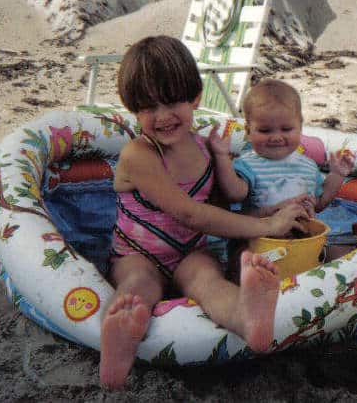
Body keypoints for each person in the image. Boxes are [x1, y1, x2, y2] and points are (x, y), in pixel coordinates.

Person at [100, 36, 310, 389]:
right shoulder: (140, 154)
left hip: (189, 253)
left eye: (172, 102)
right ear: (133, 110)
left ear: (195, 97)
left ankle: (248, 318)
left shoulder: (203, 149)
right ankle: (120, 340)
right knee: (138, 285)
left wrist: (270, 211)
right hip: (137, 254)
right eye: (148, 107)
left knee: (209, 282)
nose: (163, 116)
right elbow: (192, 215)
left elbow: (218, 213)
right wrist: (267, 224)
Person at [208, 79, 354, 253]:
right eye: (265, 130)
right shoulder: (247, 164)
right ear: (248, 131)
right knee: (239, 256)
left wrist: (336, 175)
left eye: (286, 129)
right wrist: (222, 156)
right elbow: (234, 194)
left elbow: (319, 204)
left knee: (340, 252)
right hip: (257, 244)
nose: (276, 137)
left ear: (300, 127)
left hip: (301, 242)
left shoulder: (308, 166)